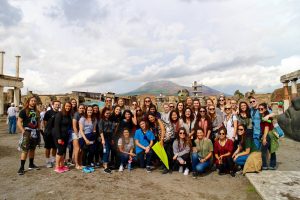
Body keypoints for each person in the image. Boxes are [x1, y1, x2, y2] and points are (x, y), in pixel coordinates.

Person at [17, 96, 41, 175]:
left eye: (34, 101)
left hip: (35, 132)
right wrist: (23, 131)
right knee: (25, 149)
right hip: (27, 131)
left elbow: (38, 122)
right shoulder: (23, 111)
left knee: (32, 149)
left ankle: (31, 164)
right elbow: (19, 122)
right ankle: (21, 167)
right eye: (32, 100)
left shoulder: (37, 111)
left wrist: (39, 130)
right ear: (28, 101)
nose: (33, 102)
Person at [53, 102, 73, 173]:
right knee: (60, 151)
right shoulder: (59, 114)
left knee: (63, 151)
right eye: (67, 106)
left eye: (69, 106)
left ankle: (62, 165)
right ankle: (57, 166)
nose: (68, 107)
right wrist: (59, 138)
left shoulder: (68, 115)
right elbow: (57, 126)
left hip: (66, 135)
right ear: (64, 106)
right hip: (59, 136)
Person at [259, 103, 278, 170]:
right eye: (259, 109)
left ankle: (264, 165)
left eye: (262, 109)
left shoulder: (267, 116)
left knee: (263, 151)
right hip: (270, 135)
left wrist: (264, 138)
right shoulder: (264, 115)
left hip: (268, 135)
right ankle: (272, 165)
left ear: (265, 109)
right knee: (271, 149)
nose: (260, 110)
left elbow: (266, 127)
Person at [78, 106, 97, 172]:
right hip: (83, 136)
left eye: (91, 110)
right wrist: (86, 139)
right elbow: (81, 130)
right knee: (85, 151)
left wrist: (94, 138)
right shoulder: (82, 119)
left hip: (91, 135)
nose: (90, 111)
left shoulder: (94, 119)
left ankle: (89, 163)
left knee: (92, 150)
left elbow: (94, 129)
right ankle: (84, 165)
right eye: (88, 110)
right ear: (86, 111)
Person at [43, 100, 61, 168]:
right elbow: (44, 121)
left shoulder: (60, 113)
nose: (57, 105)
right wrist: (46, 130)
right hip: (48, 132)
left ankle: (53, 160)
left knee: (54, 147)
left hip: (56, 133)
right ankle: (48, 161)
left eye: (58, 104)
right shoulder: (48, 112)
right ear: (53, 105)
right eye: (56, 104)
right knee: (48, 147)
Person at [99, 107, 114, 174]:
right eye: (106, 113)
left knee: (109, 152)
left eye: (109, 113)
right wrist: (103, 139)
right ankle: (105, 167)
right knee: (106, 152)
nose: (108, 114)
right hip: (104, 137)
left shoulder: (110, 120)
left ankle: (105, 164)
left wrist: (112, 139)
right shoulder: (101, 120)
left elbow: (112, 130)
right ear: (104, 113)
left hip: (110, 137)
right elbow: (100, 130)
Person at [71, 104, 85, 170]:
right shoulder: (76, 114)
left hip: (81, 133)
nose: (81, 109)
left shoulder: (83, 115)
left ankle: (80, 162)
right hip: (75, 133)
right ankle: (76, 164)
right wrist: (77, 135)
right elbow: (74, 126)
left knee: (81, 149)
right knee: (77, 149)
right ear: (78, 108)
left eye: (82, 108)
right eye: (80, 108)